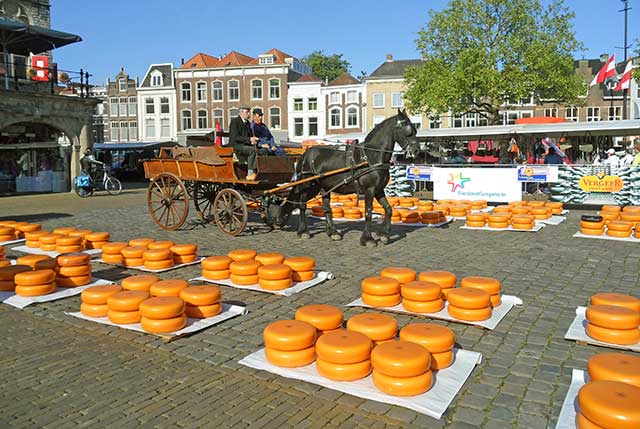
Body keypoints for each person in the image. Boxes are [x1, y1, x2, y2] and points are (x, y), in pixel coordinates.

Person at [228, 106, 267, 180]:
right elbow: (235, 137)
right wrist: (249, 139)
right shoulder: (235, 122)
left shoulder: (247, 123)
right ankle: (250, 174)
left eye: (249, 112)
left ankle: (260, 171)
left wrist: (258, 142)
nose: (249, 114)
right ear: (241, 112)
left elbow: (250, 136)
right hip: (236, 146)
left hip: (245, 145)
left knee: (263, 150)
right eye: (247, 112)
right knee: (252, 150)